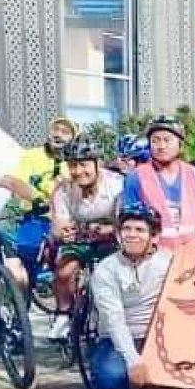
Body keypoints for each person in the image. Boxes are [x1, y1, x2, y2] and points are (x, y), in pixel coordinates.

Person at [89, 204, 176, 389]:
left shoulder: (170, 262)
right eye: (126, 229)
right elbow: (114, 319)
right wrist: (133, 361)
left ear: (154, 236)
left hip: (158, 337)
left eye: (139, 230)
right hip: (117, 338)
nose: (132, 235)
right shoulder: (106, 270)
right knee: (110, 376)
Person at [50, 136, 124, 321]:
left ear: (98, 163)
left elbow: (125, 220)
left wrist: (111, 229)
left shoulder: (118, 184)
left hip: (112, 240)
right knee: (65, 272)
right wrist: (62, 233)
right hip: (80, 240)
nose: (78, 171)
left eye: (84, 165)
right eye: (73, 165)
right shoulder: (63, 190)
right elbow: (58, 224)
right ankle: (63, 315)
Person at [122, 115, 195, 249]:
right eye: (155, 141)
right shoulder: (136, 178)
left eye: (167, 140)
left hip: (192, 258)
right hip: (154, 259)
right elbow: (130, 222)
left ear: (180, 144)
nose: (161, 146)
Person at [13, 116, 77, 204]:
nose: (58, 134)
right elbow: (17, 185)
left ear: (72, 140)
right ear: (49, 133)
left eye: (65, 132)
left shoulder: (75, 164)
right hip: (33, 214)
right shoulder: (31, 155)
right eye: (55, 129)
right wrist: (42, 200)